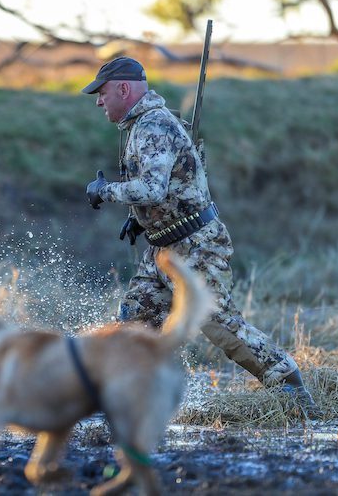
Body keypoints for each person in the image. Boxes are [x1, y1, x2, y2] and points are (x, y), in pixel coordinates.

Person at [81, 56, 318, 415]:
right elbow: (170, 188)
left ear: (124, 89)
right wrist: (140, 220)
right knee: (135, 321)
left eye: (102, 93)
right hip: (164, 249)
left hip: (194, 248)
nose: (99, 101)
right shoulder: (142, 125)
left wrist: (106, 190)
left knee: (217, 322)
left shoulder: (153, 126)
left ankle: (290, 387)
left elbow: (153, 188)